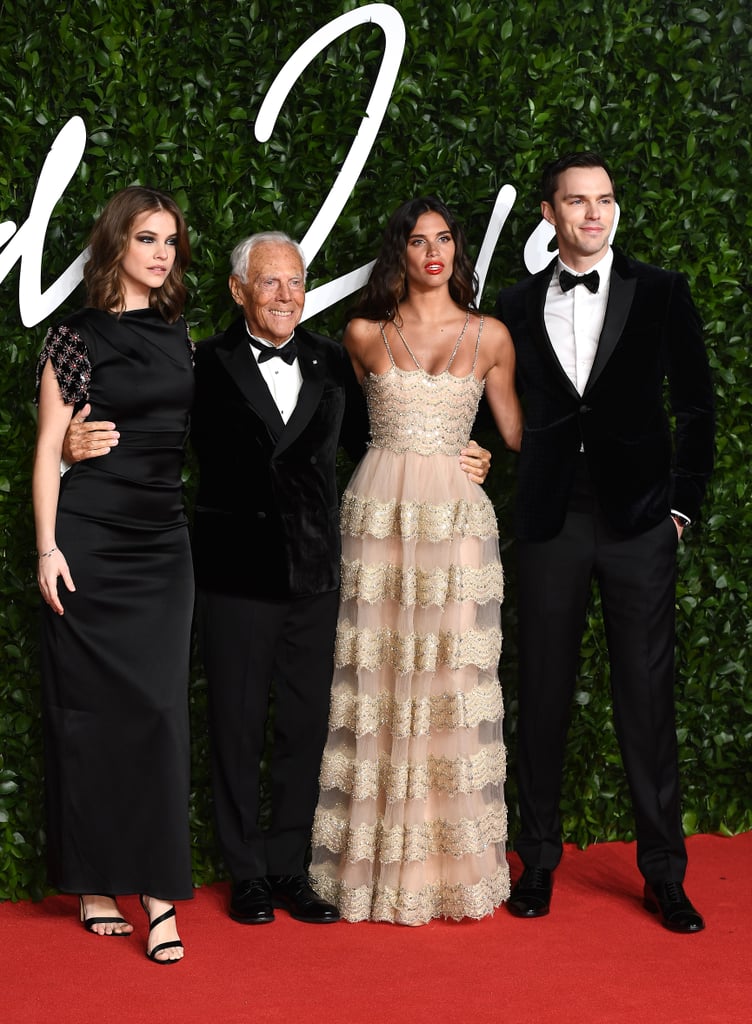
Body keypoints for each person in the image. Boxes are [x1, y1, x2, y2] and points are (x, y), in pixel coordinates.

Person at [64, 229, 494, 927]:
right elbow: (144, 434)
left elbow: (383, 439)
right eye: (269, 282)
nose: (285, 295)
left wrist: (463, 455)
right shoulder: (202, 363)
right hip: (234, 575)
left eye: (294, 281)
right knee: (235, 727)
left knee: (304, 724)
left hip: (318, 575)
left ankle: (291, 867)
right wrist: (67, 441)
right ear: (238, 292)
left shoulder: (329, 361)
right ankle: (247, 873)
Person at [495, 152, 715, 932]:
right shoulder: (516, 305)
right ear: (550, 214)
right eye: (578, 202)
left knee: (647, 701)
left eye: (606, 201)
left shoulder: (660, 291)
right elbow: (490, 397)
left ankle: (664, 874)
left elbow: (697, 406)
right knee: (543, 696)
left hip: (639, 522)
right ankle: (538, 865)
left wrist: (680, 510)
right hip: (552, 519)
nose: (594, 214)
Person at [309, 197, 522, 925]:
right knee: (380, 677)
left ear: (458, 251)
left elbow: (520, 432)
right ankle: (371, 864)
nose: (433, 252)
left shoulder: (492, 334)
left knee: (450, 676)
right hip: (380, 516)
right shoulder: (363, 334)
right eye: (417, 241)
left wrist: (491, 452)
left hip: (458, 519)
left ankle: (442, 867)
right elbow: (351, 429)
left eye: (444, 240)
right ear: (398, 252)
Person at [33, 186, 195, 963]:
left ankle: (158, 893)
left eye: (170, 241)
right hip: (90, 540)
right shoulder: (74, 338)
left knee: (161, 715)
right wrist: (47, 548)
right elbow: (46, 453)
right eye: (147, 239)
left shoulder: (181, 335)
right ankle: (97, 882)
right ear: (116, 248)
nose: (161, 254)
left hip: (164, 547)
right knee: (92, 716)